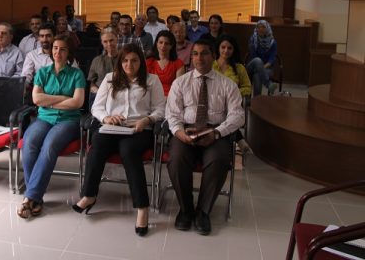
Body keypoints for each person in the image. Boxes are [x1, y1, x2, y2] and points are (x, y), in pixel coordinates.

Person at [74, 43, 165, 237]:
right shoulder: (110, 79)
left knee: (128, 151)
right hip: (112, 127)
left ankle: (142, 208)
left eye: (134, 60)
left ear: (141, 62)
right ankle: (89, 195)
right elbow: (96, 107)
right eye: (125, 60)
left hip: (139, 129)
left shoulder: (152, 80)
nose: (129, 65)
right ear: (119, 62)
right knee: (97, 145)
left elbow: (160, 109)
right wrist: (106, 117)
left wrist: (147, 120)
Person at [166, 39, 244, 235]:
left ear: (213, 56)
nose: (199, 58)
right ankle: (186, 209)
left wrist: (217, 133)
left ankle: (203, 212)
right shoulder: (180, 82)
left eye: (204, 53)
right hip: (187, 130)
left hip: (215, 132)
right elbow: (172, 114)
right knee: (176, 159)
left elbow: (238, 115)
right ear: (191, 57)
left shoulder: (228, 85)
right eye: (195, 54)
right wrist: (180, 133)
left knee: (219, 160)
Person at [18, 35, 85, 219]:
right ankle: (35, 197)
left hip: (68, 120)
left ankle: (30, 197)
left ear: (69, 52)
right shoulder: (43, 72)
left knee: (49, 145)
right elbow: (36, 99)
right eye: (55, 48)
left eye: (62, 49)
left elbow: (77, 103)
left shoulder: (77, 74)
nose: (57, 52)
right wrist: (64, 99)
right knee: (29, 143)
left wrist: (49, 101)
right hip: (44, 118)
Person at [146, 30, 184, 96]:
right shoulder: (149, 62)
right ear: (156, 43)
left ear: (171, 46)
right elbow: (145, 85)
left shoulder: (178, 63)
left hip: (172, 97)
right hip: (152, 97)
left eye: (166, 43)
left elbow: (179, 88)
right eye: (161, 42)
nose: (163, 46)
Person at [246, 20, 278, 96]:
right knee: (257, 60)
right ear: (256, 28)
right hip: (252, 66)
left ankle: (256, 100)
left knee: (257, 76)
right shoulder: (253, 40)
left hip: (267, 68)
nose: (261, 29)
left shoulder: (272, 42)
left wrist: (261, 68)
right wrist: (260, 67)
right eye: (258, 27)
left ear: (267, 28)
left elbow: (271, 59)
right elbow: (253, 57)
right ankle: (268, 84)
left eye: (263, 27)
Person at [87, 29, 118, 107]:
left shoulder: (125, 59)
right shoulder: (96, 60)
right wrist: (99, 93)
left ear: (117, 39)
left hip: (120, 96)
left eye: (111, 40)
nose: (109, 44)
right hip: (100, 96)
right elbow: (92, 83)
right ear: (102, 43)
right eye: (105, 42)